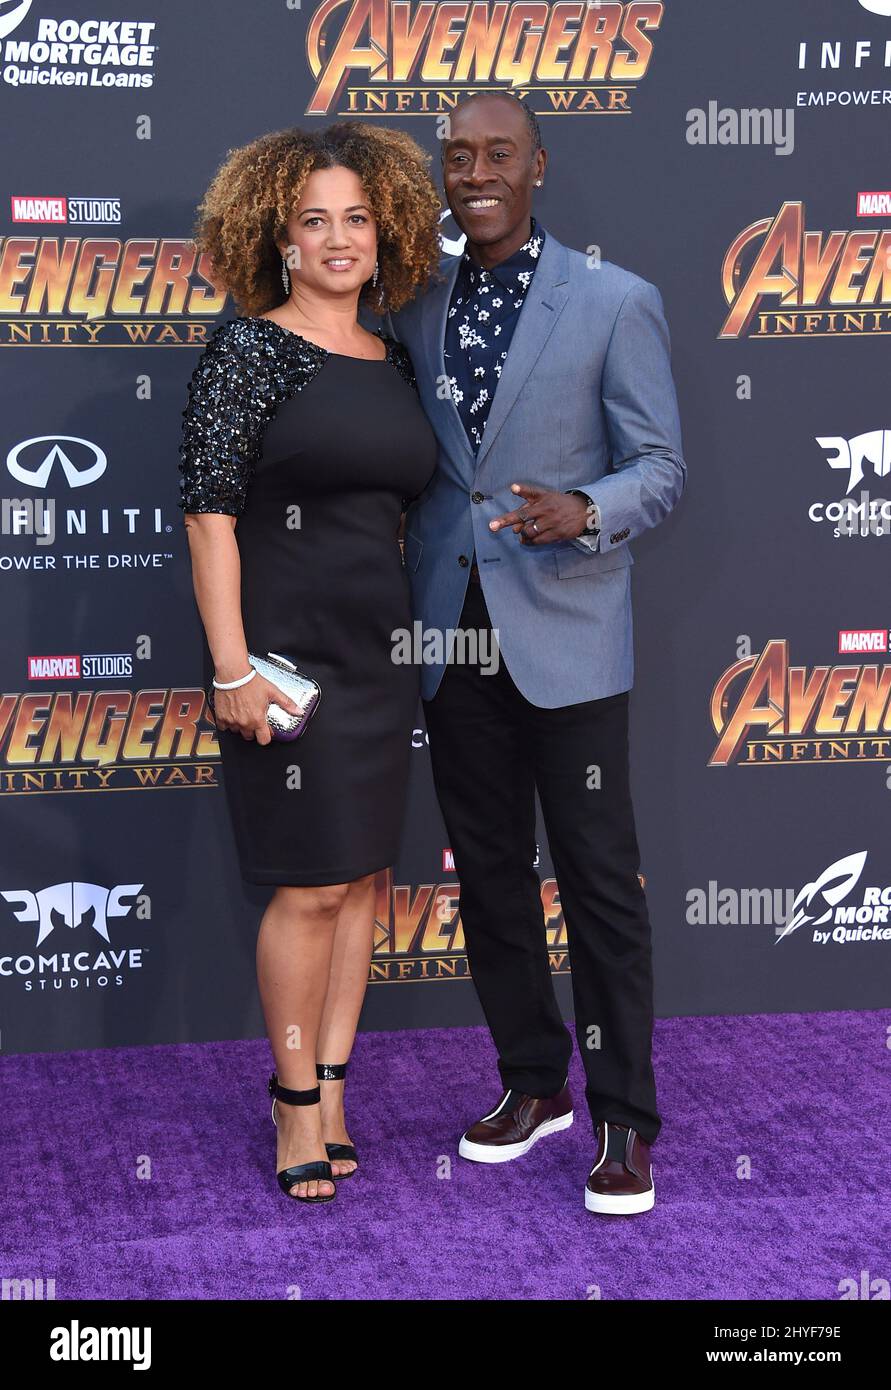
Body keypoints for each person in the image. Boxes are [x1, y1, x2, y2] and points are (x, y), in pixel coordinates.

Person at [386, 92, 686, 1214]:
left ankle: (623, 1118)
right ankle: (532, 1081)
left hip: (566, 634)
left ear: (538, 166)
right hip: (450, 636)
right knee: (491, 878)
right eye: (458, 156)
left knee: (601, 885)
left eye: (497, 154)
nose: (476, 172)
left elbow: (660, 467)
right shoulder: (414, 305)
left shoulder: (617, 303)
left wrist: (586, 508)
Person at [178, 123, 440, 1203]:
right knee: (310, 884)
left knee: (366, 880)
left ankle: (333, 1086)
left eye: (356, 220)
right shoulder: (248, 350)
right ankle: (292, 1099)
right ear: (279, 240)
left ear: (386, 237)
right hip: (286, 663)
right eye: (313, 222)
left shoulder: (397, 357)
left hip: (379, 659)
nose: (338, 239)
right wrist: (233, 668)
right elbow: (209, 517)